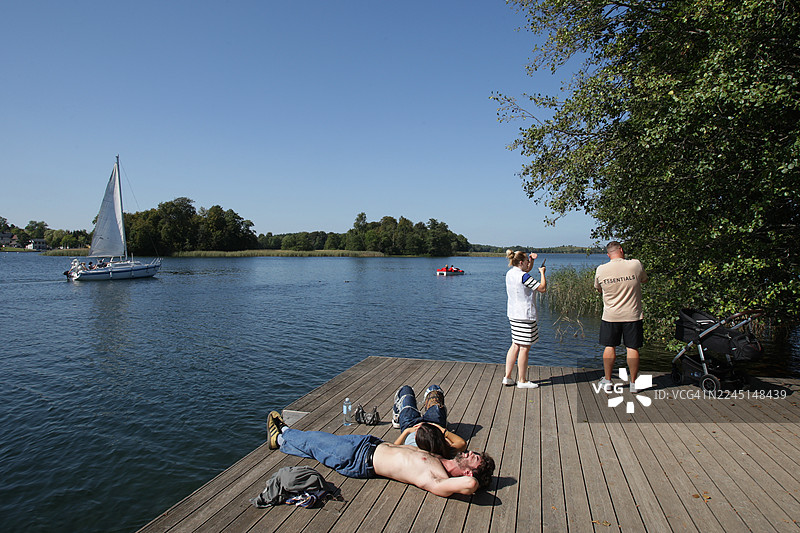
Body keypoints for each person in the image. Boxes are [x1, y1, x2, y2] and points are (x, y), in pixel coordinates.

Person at [266, 411, 495, 498]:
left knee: (316, 441)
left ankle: (283, 431)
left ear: (469, 471)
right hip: (368, 444)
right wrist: (405, 432)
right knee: (317, 447)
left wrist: (476, 478)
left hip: (357, 459)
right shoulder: (441, 458)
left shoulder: (438, 479)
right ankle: (282, 442)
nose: (470, 451)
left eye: (474, 457)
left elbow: (470, 485)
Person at [594, 241, 649, 392]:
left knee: (609, 346)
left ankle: (608, 380)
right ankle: (633, 383)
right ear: (622, 250)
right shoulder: (635, 265)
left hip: (611, 315)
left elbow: (598, 289)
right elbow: (644, 279)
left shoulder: (601, 269)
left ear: (608, 254)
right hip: (632, 314)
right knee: (632, 347)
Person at [503, 249, 547, 388]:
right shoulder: (524, 277)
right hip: (525, 316)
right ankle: (522, 380)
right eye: (527, 261)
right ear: (521, 262)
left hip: (513, 314)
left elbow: (526, 270)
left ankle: (508, 377)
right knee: (524, 348)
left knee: (515, 345)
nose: (529, 264)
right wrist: (542, 274)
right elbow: (542, 288)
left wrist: (532, 260)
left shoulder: (510, 273)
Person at [391, 384, 466, 457]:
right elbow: (462, 443)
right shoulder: (443, 450)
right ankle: (429, 410)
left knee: (406, 390)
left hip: (411, 425)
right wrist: (442, 430)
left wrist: (406, 431)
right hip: (434, 424)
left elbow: (392, 451)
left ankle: (397, 415)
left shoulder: (413, 453)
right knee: (434, 389)